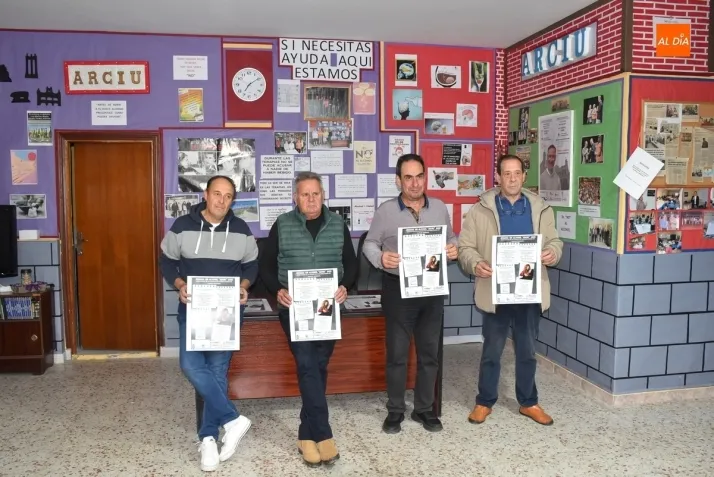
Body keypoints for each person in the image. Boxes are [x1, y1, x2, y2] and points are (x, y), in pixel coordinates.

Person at [159, 175, 258, 472]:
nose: (221, 201)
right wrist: (179, 284)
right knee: (190, 365)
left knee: (217, 372)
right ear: (205, 194)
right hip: (193, 308)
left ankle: (208, 439)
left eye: (228, 196)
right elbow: (166, 260)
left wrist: (244, 286)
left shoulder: (241, 229)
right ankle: (233, 419)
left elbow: (252, 265)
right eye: (217, 194)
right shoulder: (182, 225)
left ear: (233, 201)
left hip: (226, 311)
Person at [258, 171, 358, 467]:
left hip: (328, 308)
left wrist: (345, 285)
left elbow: (351, 264)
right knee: (306, 362)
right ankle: (324, 434)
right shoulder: (282, 224)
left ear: (323, 195)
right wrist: (277, 290)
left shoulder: (337, 223)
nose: (311, 199)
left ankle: (305, 434)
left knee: (318, 365)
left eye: (316, 194)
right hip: (294, 309)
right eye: (305, 194)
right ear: (295, 198)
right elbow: (266, 265)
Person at [458, 154, 563, 427]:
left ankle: (528, 402)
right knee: (492, 351)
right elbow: (465, 247)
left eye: (517, 173)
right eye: (507, 173)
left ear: (524, 176)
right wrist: (475, 263)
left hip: (529, 290)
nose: (513, 179)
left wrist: (552, 252)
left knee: (527, 351)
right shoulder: (480, 209)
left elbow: (555, 241)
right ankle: (484, 401)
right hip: (496, 290)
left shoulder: (541, 208)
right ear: (498, 177)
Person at [363, 153, 458, 434]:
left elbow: (451, 238)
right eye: (408, 177)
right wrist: (381, 258)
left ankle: (424, 409)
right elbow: (369, 243)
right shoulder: (386, 211)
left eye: (419, 177)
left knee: (429, 353)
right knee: (397, 354)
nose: (415, 183)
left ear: (425, 177)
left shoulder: (439, 207)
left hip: (432, 289)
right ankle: (395, 410)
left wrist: (453, 249)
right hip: (398, 290)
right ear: (398, 181)